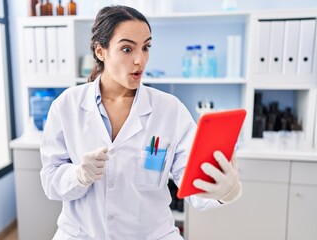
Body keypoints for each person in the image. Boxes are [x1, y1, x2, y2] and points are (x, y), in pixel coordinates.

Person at [40, 5, 242, 240]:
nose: (140, 60)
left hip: (153, 235)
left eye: (146, 47)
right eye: (127, 49)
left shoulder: (169, 109)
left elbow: (192, 180)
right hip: (81, 234)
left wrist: (223, 190)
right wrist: (78, 175)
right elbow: (50, 181)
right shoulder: (67, 105)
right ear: (100, 51)